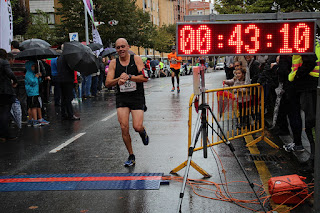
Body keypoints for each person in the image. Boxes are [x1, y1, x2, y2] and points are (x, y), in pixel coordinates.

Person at [105, 38, 149, 167]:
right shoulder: (113, 63)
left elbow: (145, 78)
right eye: (118, 47)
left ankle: (142, 132)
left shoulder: (136, 59)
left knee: (137, 126)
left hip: (136, 97)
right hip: (122, 98)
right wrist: (119, 79)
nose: (121, 49)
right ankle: (131, 155)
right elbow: (108, 83)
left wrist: (130, 77)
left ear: (128, 47)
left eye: (123, 46)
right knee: (124, 127)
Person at [0, 49, 18, 140]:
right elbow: (10, 73)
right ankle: (5, 133)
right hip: (5, 90)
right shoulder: (4, 62)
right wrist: (15, 81)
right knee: (5, 112)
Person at [24, 61, 50, 126]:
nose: (33, 68)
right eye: (32, 66)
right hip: (32, 92)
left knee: (31, 106)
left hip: (34, 92)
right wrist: (36, 77)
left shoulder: (32, 73)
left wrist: (39, 77)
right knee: (34, 107)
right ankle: (35, 120)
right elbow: (32, 82)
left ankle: (31, 120)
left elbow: (38, 82)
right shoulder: (28, 74)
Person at [57, 55, 80, 120]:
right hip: (68, 80)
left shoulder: (59, 58)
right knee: (68, 98)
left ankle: (64, 114)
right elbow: (72, 67)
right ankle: (70, 114)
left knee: (63, 98)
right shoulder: (67, 58)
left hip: (61, 79)